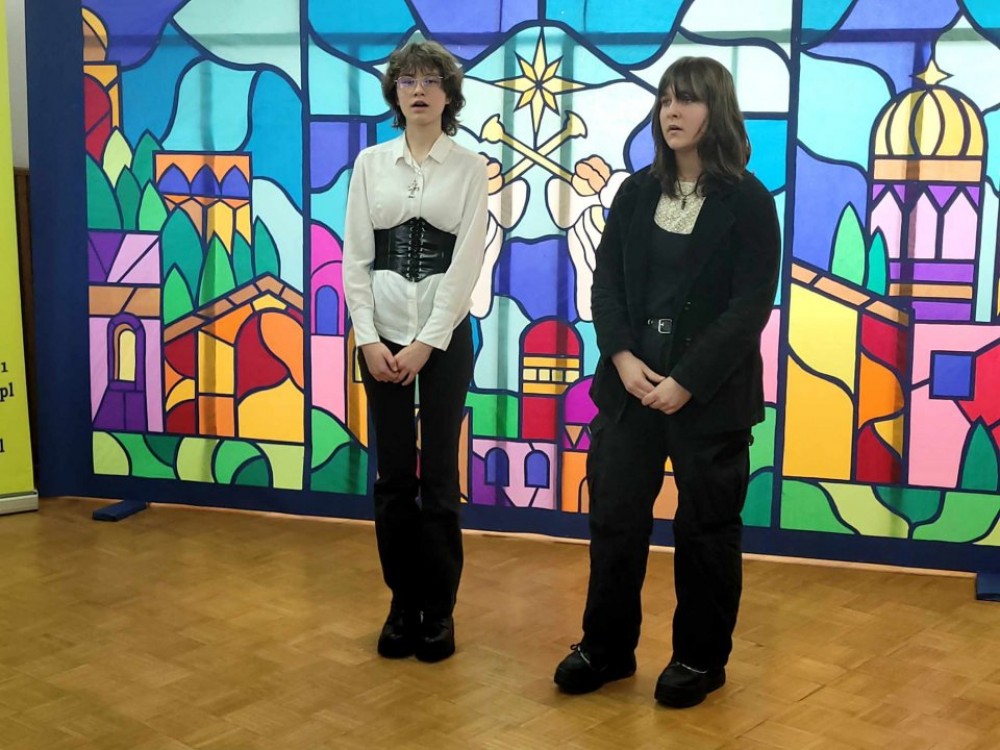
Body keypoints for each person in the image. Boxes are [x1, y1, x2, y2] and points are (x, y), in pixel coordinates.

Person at [553, 56, 780, 707]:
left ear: (717, 110)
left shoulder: (748, 201)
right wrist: (624, 360)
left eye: (687, 100)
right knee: (615, 521)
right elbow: (605, 287)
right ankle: (605, 648)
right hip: (629, 391)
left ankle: (699, 659)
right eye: (665, 100)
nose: (672, 111)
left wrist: (687, 380)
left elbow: (749, 307)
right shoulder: (635, 192)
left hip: (709, 396)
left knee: (706, 531)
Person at [342, 40, 488, 663]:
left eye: (431, 80)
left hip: (444, 339)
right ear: (395, 93)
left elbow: (466, 262)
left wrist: (428, 342)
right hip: (379, 336)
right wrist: (369, 338)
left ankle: (440, 609)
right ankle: (402, 604)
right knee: (395, 475)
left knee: (441, 476)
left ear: (449, 94)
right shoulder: (370, 163)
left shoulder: (471, 168)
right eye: (408, 80)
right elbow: (354, 257)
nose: (419, 89)